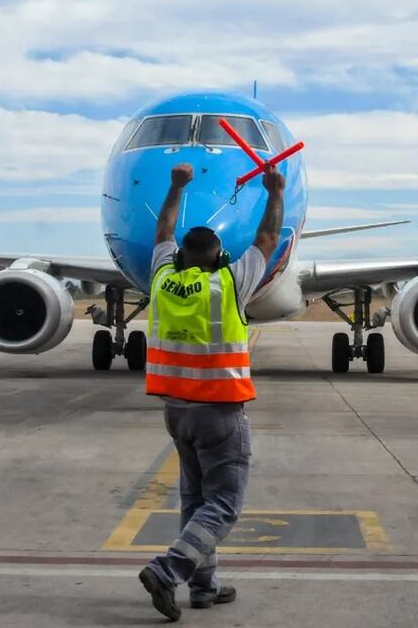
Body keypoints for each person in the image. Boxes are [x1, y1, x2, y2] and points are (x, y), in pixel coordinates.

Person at [138, 162, 285, 621]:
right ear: (221, 256)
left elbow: (163, 230)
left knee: (195, 500)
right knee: (222, 505)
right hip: (219, 412)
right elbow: (267, 238)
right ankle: (169, 570)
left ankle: (204, 586)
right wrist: (274, 192)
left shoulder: (162, 278)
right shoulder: (230, 283)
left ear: (180, 256)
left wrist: (176, 186)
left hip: (176, 412)